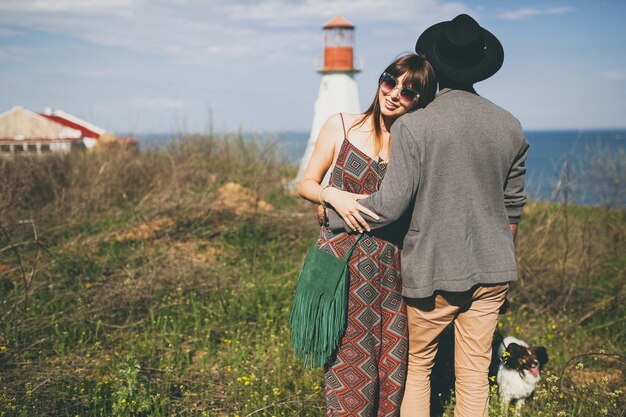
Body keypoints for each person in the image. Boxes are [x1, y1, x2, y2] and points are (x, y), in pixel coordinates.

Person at [325, 14, 529, 417]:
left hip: (433, 271)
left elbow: (390, 204)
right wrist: (498, 263)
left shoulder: (415, 126)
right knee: (474, 373)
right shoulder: (510, 126)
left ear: (434, 63)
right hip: (494, 270)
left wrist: (334, 206)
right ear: (480, 66)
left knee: (418, 368)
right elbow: (512, 210)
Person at [297, 53, 437, 416]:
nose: (394, 94)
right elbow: (307, 183)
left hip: (391, 275)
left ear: (419, 101)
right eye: (391, 81)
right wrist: (332, 196)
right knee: (347, 373)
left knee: (392, 374)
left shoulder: (412, 146)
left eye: (408, 92)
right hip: (341, 270)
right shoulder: (340, 125)